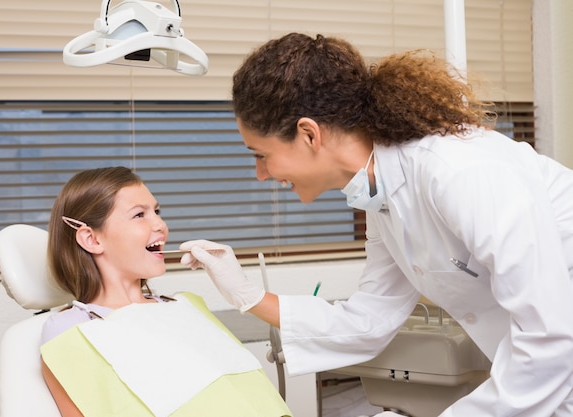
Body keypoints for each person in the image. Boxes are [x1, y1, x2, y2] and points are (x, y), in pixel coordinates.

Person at [179, 33, 573, 416]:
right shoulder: (381, 195)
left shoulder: (458, 171)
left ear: (308, 134)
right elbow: (371, 319)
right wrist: (245, 294)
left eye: (262, 154)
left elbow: (550, 338)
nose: (261, 174)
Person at [40, 166, 291, 417]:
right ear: (92, 239)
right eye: (139, 215)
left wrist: (247, 293)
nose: (161, 225)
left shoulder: (184, 307)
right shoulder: (71, 332)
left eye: (157, 212)